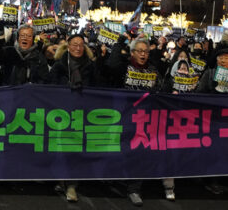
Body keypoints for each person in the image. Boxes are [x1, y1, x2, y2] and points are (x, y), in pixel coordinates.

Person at [108, 39, 173, 205]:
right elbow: (111, 67)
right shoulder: (123, 67)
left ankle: (134, 189)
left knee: (139, 154)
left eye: (146, 51)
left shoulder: (153, 69)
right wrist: (119, 44)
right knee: (121, 152)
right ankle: (116, 180)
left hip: (144, 119)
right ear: (132, 53)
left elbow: (161, 88)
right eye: (139, 51)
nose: (143, 54)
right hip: (123, 117)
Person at [48, 34, 101, 202]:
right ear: (68, 47)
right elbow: (50, 87)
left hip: (82, 114)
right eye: (74, 45)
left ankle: (71, 185)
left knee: (75, 149)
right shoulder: (59, 65)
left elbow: (99, 87)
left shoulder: (91, 66)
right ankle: (60, 179)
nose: (78, 48)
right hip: (62, 114)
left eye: (81, 45)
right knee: (61, 148)